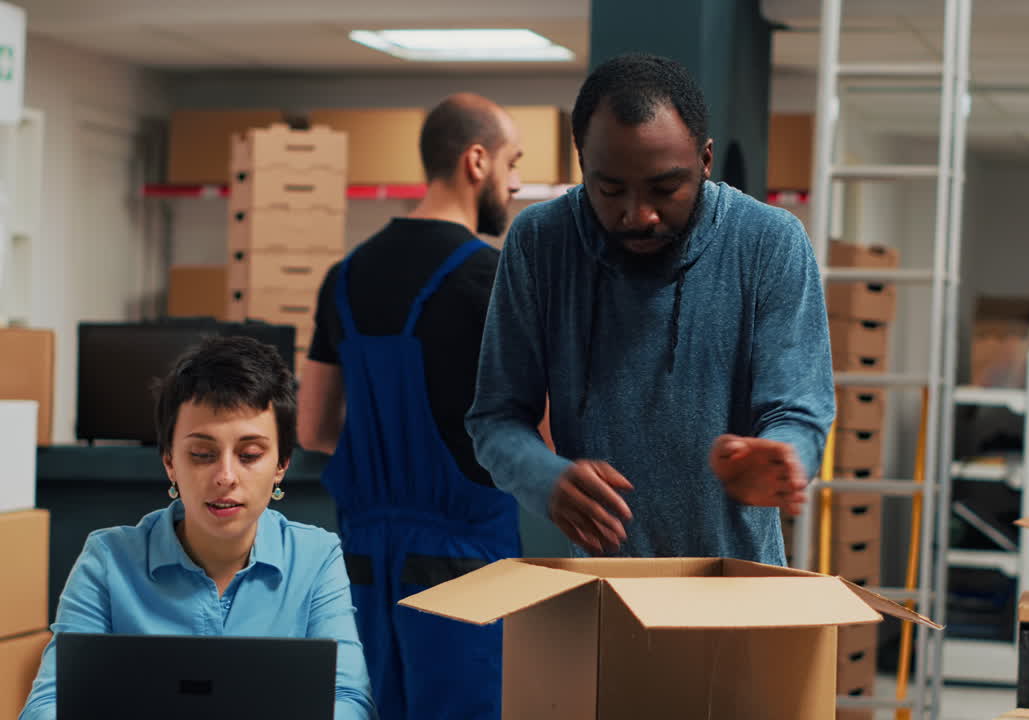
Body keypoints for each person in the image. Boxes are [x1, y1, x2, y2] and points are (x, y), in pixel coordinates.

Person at [466, 53, 836, 565]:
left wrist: (786, 454)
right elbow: (496, 416)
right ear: (581, 158)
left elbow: (799, 406)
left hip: (737, 585)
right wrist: (541, 476)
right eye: (610, 189)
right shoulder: (540, 242)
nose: (639, 215)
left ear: (705, 161)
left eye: (666, 188)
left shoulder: (767, 242)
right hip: (599, 590)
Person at [297, 93, 524, 720]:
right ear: (476, 161)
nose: (516, 181)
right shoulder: (494, 279)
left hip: (362, 565)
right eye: (513, 162)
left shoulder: (343, 276)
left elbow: (313, 427)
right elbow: (544, 440)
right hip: (467, 569)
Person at [19, 335, 375, 720]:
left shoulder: (316, 557)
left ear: (281, 465)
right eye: (202, 454)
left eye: (250, 455)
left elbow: (349, 699)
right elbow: (48, 703)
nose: (225, 476)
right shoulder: (108, 560)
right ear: (170, 462)